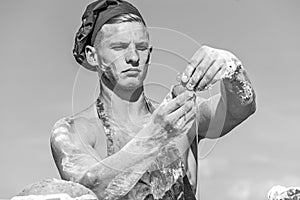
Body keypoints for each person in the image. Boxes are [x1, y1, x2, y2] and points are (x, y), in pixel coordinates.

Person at [50, 0, 256, 199]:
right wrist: (155, 136)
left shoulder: (179, 117)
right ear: (93, 56)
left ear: (149, 54)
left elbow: (241, 108)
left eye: (140, 47)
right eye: (119, 47)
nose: (133, 57)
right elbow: (90, 188)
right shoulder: (76, 131)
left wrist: (231, 67)